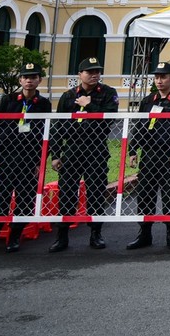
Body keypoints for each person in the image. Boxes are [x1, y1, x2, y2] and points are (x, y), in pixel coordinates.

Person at [0, 62, 53, 254]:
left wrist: (39, 162)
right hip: (7, 155)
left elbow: (46, 133)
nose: (29, 81)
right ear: (20, 80)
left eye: (33, 77)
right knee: (0, 197)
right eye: (26, 77)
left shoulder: (43, 103)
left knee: (25, 198)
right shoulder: (8, 100)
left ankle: (15, 236)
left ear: (39, 81)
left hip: (29, 157)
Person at [49, 57, 119, 253]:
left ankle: (95, 233)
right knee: (67, 192)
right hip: (72, 150)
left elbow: (109, 120)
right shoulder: (68, 96)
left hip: (95, 149)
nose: (95, 74)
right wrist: (56, 153)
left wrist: (89, 106)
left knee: (96, 191)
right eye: (90, 71)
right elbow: (58, 126)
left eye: (97, 71)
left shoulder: (107, 93)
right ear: (80, 75)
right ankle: (62, 236)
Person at [126, 62, 170, 250]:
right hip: (149, 155)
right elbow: (139, 126)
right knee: (145, 195)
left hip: (169, 155)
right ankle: (144, 234)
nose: (159, 81)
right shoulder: (148, 101)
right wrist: (133, 150)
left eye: (163, 77)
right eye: (156, 77)